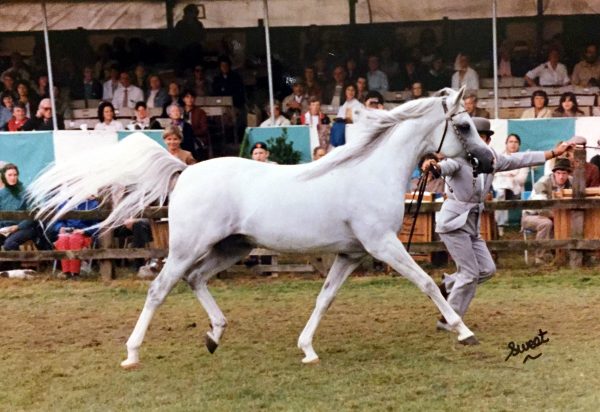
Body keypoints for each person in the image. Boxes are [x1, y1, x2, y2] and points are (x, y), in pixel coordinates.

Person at [422, 118, 572, 330]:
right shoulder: (458, 159)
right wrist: (433, 166)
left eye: (481, 137)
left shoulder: (492, 159)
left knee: (487, 269)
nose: (476, 142)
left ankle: (447, 285)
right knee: (469, 273)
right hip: (453, 222)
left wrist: (555, 153)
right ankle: (449, 319)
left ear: (488, 139)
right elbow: (442, 168)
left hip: (473, 223)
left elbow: (522, 158)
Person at [521, 157, 572, 265]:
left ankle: (566, 254)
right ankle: (539, 258)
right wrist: (557, 216)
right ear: (554, 173)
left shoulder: (572, 183)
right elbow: (540, 207)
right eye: (558, 173)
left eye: (564, 173)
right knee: (546, 223)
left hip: (558, 216)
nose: (561, 176)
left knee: (572, 221)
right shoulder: (543, 182)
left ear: (568, 174)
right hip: (531, 216)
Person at [50, 197, 100, 280]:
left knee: (75, 239)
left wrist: (84, 231)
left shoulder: (93, 204)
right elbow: (57, 222)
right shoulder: (63, 204)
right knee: (63, 239)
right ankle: (66, 272)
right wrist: (60, 228)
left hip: (84, 235)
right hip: (67, 233)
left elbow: (97, 225)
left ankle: (75, 273)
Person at [492, 134, 530, 233]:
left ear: (519, 145)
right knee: (500, 192)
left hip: (515, 192)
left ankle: (501, 225)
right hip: (498, 190)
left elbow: (522, 179)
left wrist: (506, 176)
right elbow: (494, 174)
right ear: (506, 144)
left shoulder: (523, 159)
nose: (513, 144)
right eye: (511, 142)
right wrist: (510, 174)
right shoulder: (499, 158)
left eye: (516, 142)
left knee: (501, 192)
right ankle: (499, 225)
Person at [0, 164, 40, 253]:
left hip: (24, 228)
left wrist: (18, 227)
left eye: (15, 175)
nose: (13, 178)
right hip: (5, 229)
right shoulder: (1, 194)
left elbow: (34, 214)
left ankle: (17, 266)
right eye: (9, 175)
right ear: (4, 177)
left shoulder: (26, 193)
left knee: (9, 244)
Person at [182, 89, 209, 160]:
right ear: (183, 99)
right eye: (187, 97)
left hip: (196, 138)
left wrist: (191, 133)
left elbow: (204, 129)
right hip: (181, 137)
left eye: (192, 97)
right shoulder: (180, 111)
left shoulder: (200, 112)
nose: (190, 99)